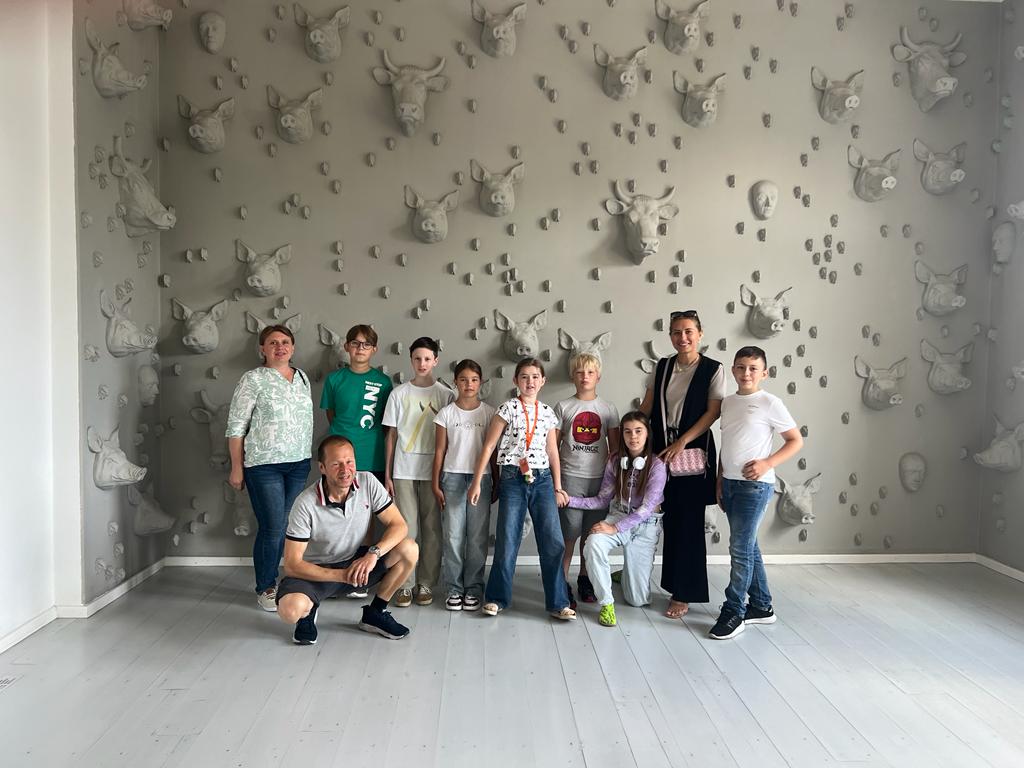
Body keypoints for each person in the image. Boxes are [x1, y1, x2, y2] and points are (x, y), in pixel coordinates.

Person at [276, 436, 419, 643]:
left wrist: (373, 554)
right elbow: (292, 565)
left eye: (349, 461)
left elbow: (399, 526)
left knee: (409, 549)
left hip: (357, 563)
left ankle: (375, 613)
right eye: (336, 464)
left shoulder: (367, 481)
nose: (345, 470)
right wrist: (342, 576)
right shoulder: (305, 504)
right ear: (322, 467)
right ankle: (308, 612)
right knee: (290, 611)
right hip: (317, 572)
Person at [469, 358, 576, 620]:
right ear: (516, 380)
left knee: (552, 541)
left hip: (542, 479)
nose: (530, 382)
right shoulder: (507, 408)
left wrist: (558, 487)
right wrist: (476, 482)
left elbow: (553, 451)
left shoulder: (548, 413)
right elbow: (489, 445)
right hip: (512, 477)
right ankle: (496, 598)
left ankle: (558, 602)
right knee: (508, 538)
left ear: (543, 381)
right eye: (524, 377)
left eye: (535, 377)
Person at [710, 346, 802, 640]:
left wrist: (767, 463)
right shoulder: (728, 403)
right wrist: (720, 480)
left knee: (739, 548)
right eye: (740, 367)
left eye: (753, 368)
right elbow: (728, 444)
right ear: (733, 370)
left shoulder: (770, 403)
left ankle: (734, 610)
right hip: (731, 484)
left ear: (765, 372)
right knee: (748, 547)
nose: (746, 373)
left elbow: (795, 440)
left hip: (755, 487)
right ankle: (761, 606)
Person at [639, 310, 724, 619]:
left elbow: (712, 412)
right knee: (670, 519)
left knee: (689, 523)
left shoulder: (713, 369)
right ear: (670, 336)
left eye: (688, 331)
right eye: (676, 332)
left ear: (699, 334)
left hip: (692, 453)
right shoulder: (662, 367)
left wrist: (682, 441)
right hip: (662, 450)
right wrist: (633, 434)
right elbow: (648, 406)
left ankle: (684, 593)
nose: (683, 337)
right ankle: (672, 584)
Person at [226, 324, 313, 611]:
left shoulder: (302, 377)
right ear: (262, 348)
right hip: (264, 465)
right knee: (273, 526)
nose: (280, 347)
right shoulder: (252, 379)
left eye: (285, 342)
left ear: (293, 347)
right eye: (273, 342)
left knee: (287, 526)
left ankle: (285, 579)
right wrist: (236, 467)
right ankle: (266, 587)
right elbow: (236, 426)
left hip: (298, 463)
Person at [560, 411, 667, 627]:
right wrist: (568, 499)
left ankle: (625, 574)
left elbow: (645, 509)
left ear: (647, 434)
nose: (633, 436)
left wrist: (615, 528)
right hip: (618, 514)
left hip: (645, 525)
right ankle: (606, 603)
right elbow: (602, 500)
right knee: (592, 543)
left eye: (638, 431)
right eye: (627, 432)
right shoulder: (616, 461)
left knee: (636, 600)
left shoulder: (657, 466)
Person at [382, 337, 454, 607]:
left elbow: (450, 438)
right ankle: (404, 584)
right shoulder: (399, 394)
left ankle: (425, 583)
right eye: (417, 359)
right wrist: (388, 474)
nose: (422, 364)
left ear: (435, 361)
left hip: (433, 472)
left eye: (427, 359)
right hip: (403, 471)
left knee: (432, 528)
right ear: (410, 360)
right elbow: (390, 436)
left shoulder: (446, 395)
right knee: (406, 529)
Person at [553, 353, 620, 607]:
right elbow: (553, 447)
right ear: (573, 376)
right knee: (568, 534)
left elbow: (615, 450)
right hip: (570, 478)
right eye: (580, 372)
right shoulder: (563, 407)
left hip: (600, 480)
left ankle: (585, 578)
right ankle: (561, 582)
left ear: (598, 376)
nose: (585, 377)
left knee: (590, 534)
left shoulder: (608, 409)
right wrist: (556, 483)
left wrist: (613, 483)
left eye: (590, 372)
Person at [432, 359, 496, 612]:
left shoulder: (489, 413)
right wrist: (435, 483)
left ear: (481, 383)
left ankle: (474, 587)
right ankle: (454, 588)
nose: (469, 384)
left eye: (474, 380)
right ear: (455, 382)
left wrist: (496, 481)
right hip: (452, 478)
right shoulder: (446, 414)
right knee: (453, 535)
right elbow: (440, 451)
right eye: (463, 379)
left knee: (478, 537)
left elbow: (493, 451)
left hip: (482, 479)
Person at [320, 324, 393, 485]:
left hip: (372, 457)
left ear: (374, 349)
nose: (360, 348)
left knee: (371, 501)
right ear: (346, 346)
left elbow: (387, 421)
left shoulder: (383, 382)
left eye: (367, 344)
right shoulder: (333, 379)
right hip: (338, 456)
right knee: (337, 500)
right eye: (355, 343)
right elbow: (331, 413)